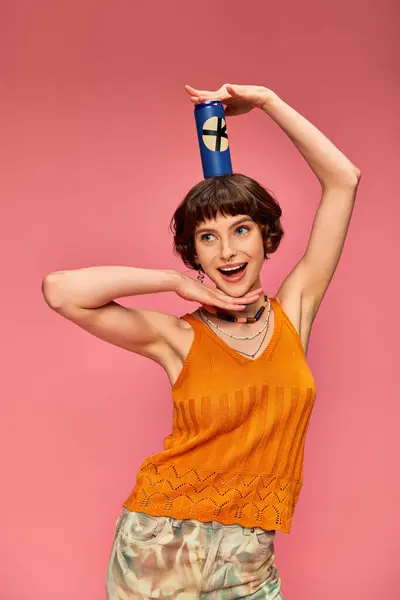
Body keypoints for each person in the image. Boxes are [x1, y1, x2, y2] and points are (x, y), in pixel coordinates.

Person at [42, 83, 361, 599]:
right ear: (193, 253)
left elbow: (343, 180)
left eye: (241, 230)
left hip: (250, 552)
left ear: (266, 237)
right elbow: (60, 291)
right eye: (207, 238)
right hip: (160, 542)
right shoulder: (178, 336)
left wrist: (266, 101)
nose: (227, 250)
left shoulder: (293, 313)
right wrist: (170, 283)